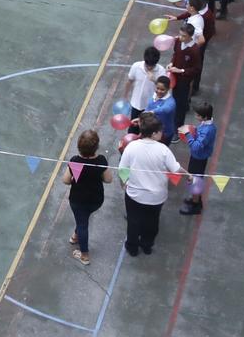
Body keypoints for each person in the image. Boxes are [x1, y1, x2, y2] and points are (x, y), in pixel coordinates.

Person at [121, 127, 185, 257]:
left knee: (133, 222)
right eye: (160, 130)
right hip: (156, 197)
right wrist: (189, 175)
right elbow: (176, 169)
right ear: (154, 133)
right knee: (152, 222)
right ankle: (147, 245)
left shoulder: (132, 146)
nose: (162, 133)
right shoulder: (163, 150)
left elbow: (123, 169)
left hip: (135, 195)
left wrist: (124, 184)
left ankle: (132, 248)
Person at [64, 130, 112, 264]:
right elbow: (108, 179)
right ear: (96, 146)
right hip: (96, 200)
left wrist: (75, 175)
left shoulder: (76, 161)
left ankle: (84, 255)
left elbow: (66, 180)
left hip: (78, 200)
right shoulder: (101, 160)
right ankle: (75, 236)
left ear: (79, 146)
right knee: (82, 220)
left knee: (82, 224)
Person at [181, 102, 218, 215]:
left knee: (195, 181)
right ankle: (195, 200)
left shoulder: (207, 131)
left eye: (198, 115)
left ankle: (195, 205)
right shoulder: (206, 124)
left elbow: (196, 146)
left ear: (205, 117)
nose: (195, 117)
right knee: (194, 179)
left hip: (199, 158)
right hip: (197, 157)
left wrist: (187, 134)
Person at [170, 20, 206, 126]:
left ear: (190, 37)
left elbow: (196, 69)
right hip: (174, 77)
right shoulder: (178, 42)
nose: (180, 38)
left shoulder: (194, 50)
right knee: (175, 100)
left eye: (183, 36)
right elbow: (175, 54)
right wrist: (171, 64)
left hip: (184, 80)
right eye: (180, 35)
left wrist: (181, 71)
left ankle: (178, 126)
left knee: (181, 104)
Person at [123, 44, 162, 125]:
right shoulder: (136, 66)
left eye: (152, 66)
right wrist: (125, 96)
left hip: (150, 106)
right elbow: (130, 81)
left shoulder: (161, 71)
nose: (150, 68)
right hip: (136, 103)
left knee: (147, 128)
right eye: (148, 65)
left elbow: (165, 88)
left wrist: (154, 80)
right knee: (133, 127)